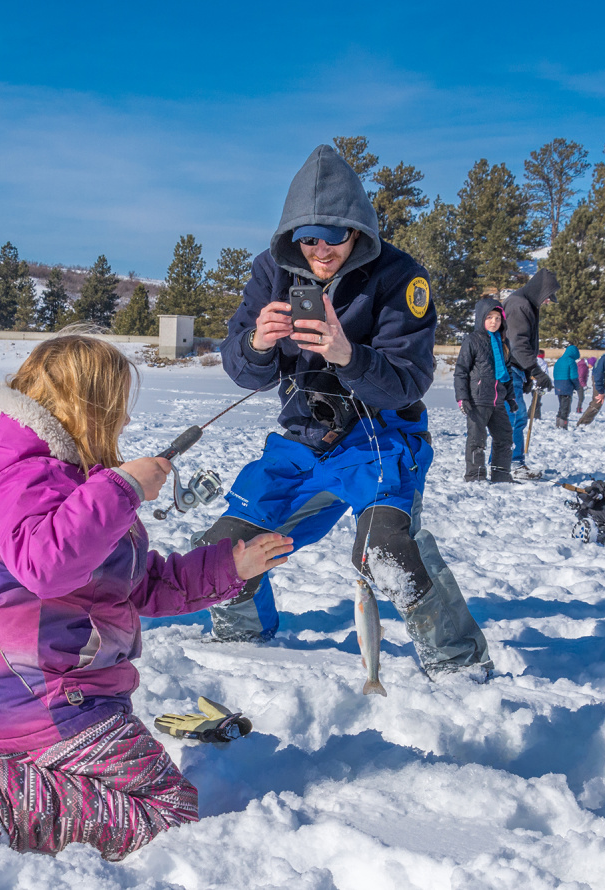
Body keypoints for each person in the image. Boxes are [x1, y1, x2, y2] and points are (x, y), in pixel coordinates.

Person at [0, 334, 293, 859]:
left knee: (156, 800)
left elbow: (138, 584)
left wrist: (229, 567)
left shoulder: (71, 481)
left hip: (63, 700)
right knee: (169, 815)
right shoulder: (26, 479)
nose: (125, 424)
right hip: (51, 704)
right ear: (87, 408)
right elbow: (45, 564)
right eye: (118, 410)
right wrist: (122, 488)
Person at [203, 144, 493, 677]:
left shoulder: (402, 277)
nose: (320, 249)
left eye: (332, 236)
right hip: (300, 441)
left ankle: (460, 665)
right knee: (220, 551)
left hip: (379, 439)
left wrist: (348, 356)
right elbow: (243, 370)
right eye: (307, 238)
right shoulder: (271, 271)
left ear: (356, 228)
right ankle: (244, 646)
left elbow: (409, 380)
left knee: (385, 553)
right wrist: (257, 346)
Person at [454, 299, 518, 482]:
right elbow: (461, 371)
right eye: (489, 317)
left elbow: (508, 373)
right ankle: (475, 476)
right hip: (478, 399)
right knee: (477, 440)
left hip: (498, 401)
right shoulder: (472, 340)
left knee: (505, 438)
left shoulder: (502, 343)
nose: (493, 322)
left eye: (497, 318)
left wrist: (511, 398)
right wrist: (462, 397)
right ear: (481, 318)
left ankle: (501, 474)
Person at [503, 269, 559, 477]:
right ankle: (510, 463)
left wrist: (527, 376)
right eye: (547, 297)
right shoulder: (520, 304)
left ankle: (509, 461)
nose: (547, 302)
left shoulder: (526, 303)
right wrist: (536, 371)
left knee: (516, 417)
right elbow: (518, 345)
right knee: (515, 417)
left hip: (517, 370)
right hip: (511, 369)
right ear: (539, 290)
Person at [553, 344, 583, 430]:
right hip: (566, 385)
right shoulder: (571, 361)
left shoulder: (559, 360)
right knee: (565, 407)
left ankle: (558, 423)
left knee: (561, 406)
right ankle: (563, 426)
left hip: (558, 385)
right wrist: (577, 386)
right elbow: (573, 377)